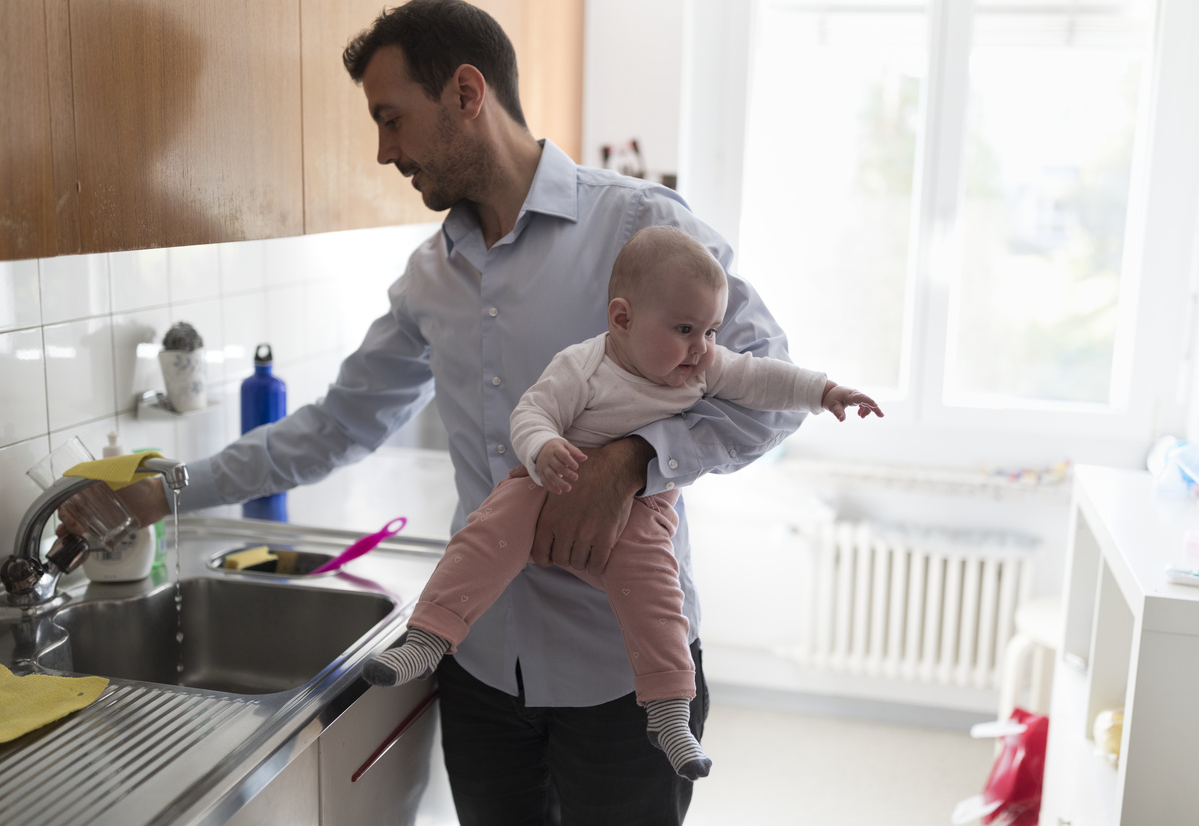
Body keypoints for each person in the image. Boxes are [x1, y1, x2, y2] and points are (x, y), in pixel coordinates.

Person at [84, 0, 810, 824]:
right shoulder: (430, 279)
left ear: (468, 93)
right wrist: (161, 489)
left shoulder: (638, 227)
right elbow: (336, 425)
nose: (385, 151)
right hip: (482, 679)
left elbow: (770, 390)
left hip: (624, 682)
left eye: (392, 119)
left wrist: (637, 458)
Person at [363, 225, 884, 783]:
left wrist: (824, 390)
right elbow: (530, 414)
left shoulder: (703, 367)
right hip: (551, 476)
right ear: (622, 319)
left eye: (709, 330)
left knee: (659, 597)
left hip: (644, 509)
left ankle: (668, 710)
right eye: (685, 329)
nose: (702, 348)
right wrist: (545, 447)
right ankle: (429, 637)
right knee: (487, 532)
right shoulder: (583, 366)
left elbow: (760, 378)